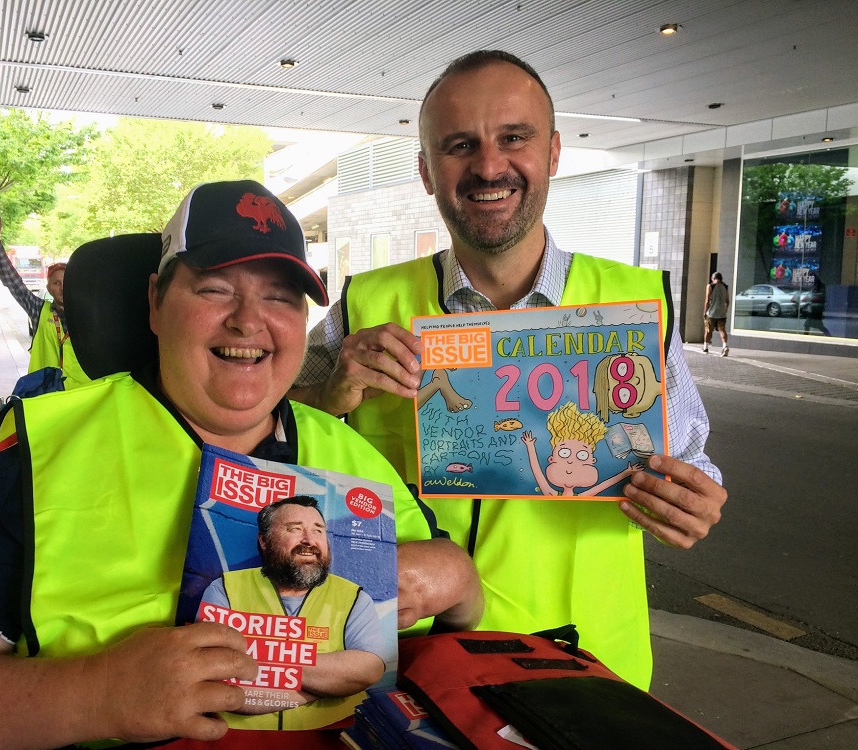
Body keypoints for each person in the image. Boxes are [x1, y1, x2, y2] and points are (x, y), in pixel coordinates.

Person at [0, 180, 482, 749]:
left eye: (280, 296)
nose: (248, 320)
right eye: (214, 287)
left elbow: (461, 619)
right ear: (155, 303)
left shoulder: (353, 455)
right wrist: (91, 694)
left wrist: (456, 577)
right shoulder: (44, 457)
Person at [291, 50, 727, 690]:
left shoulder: (632, 309)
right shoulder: (363, 306)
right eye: (460, 145)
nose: (489, 165)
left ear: (552, 154)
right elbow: (269, 447)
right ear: (426, 171)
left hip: (588, 669)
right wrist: (330, 393)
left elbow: (691, 466)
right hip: (404, 663)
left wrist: (689, 505)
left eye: (513, 138)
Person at [199, 495, 387, 729]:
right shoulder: (224, 589)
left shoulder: (354, 598)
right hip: (237, 738)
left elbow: (367, 671)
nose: (309, 540)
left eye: (318, 531)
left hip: (328, 737)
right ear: (264, 541)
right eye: (295, 529)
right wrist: (324, 687)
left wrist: (262, 662)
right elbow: (214, 681)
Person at [0, 214, 91, 389]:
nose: (62, 288)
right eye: (56, 283)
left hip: (80, 397)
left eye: (66, 283)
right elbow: (13, 281)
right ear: (48, 287)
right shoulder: (39, 310)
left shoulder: (88, 314)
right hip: (44, 393)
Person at [703, 271, 730, 355]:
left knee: (708, 330)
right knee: (722, 330)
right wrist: (725, 310)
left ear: (713, 278)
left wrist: (705, 311)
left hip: (711, 312)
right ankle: (725, 346)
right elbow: (727, 301)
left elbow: (707, 300)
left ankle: (705, 348)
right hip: (722, 312)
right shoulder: (725, 286)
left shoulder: (710, 286)